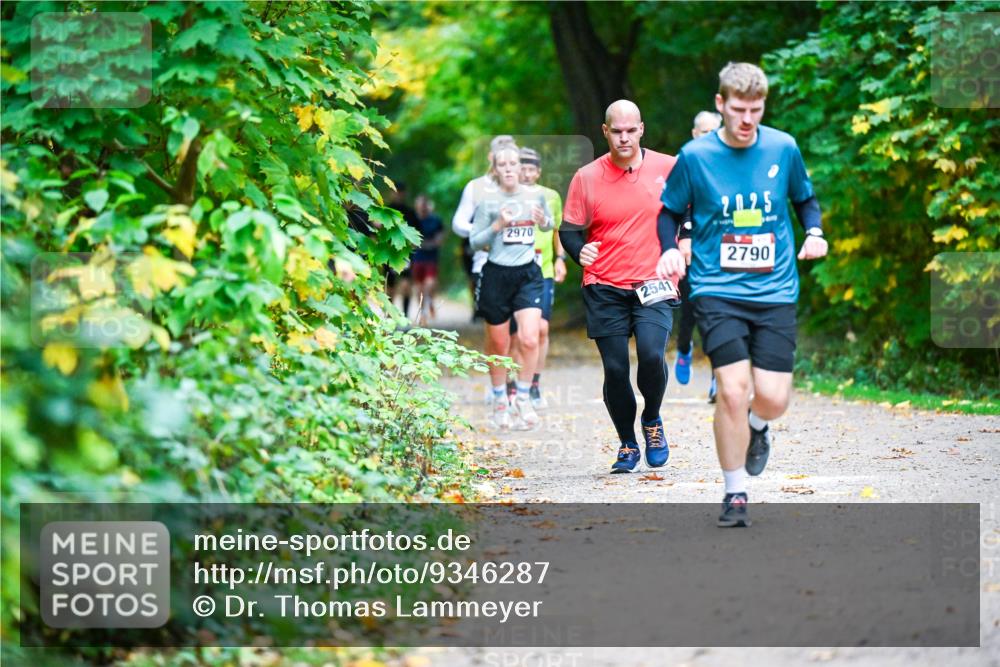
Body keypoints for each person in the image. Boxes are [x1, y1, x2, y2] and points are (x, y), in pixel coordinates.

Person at [657, 62, 828, 527]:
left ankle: (758, 426)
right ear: (721, 104)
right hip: (717, 289)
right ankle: (735, 494)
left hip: (775, 289)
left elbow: (804, 199)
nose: (747, 119)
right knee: (732, 391)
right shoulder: (696, 156)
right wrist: (669, 250)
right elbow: (668, 212)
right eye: (738, 109)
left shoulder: (782, 147)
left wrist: (814, 232)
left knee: (772, 398)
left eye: (756, 109)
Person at [559, 100, 679, 474]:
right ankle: (627, 443)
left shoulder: (669, 167)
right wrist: (579, 251)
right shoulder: (586, 177)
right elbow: (568, 230)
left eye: (630, 130)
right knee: (615, 368)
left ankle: (652, 419)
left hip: (654, 280)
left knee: (651, 354)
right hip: (604, 283)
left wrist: (685, 243)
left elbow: (690, 211)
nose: (624, 138)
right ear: (605, 132)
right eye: (617, 131)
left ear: (641, 129)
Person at [470, 145, 552, 430]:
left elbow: (549, 225)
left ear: (520, 167)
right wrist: (497, 226)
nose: (508, 168)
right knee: (499, 344)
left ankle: (524, 397)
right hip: (496, 274)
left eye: (513, 163)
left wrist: (543, 221)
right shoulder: (487, 202)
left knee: (530, 338)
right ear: (495, 169)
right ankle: (499, 399)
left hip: (528, 274)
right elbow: (474, 241)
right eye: (502, 164)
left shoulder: (535, 196)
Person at [506, 147, 567, 409]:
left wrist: (560, 259)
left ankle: (533, 384)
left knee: (541, 329)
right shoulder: (506, 196)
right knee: (515, 334)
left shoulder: (550, 196)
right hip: (513, 271)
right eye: (523, 169)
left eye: (532, 170)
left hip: (543, 271)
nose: (527, 174)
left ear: (539, 172)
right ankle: (510, 384)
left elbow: (557, 230)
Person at [674, 111, 723, 402]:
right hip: (690, 248)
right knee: (690, 310)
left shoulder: (729, 162)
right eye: (704, 131)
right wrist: (685, 236)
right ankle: (683, 348)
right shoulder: (684, 162)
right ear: (695, 134)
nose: (709, 137)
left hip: (721, 250)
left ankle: (719, 378)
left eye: (714, 131)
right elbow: (675, 205)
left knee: (717, 314)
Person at [452, 135, 518, 322]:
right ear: (491, 157)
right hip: (486, 264)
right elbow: (458, 223)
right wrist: (484, 232)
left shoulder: (526, 187)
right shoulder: (476, 187)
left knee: (522, 329)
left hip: (522, 266)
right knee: (497, 326)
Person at [386, 182, 420, 318]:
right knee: (390, 287)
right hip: (388, 252)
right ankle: (389, 317)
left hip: (405, 253)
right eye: (395, 192)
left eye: (400, 192)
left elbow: (418, 233)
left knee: (406, 285)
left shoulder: (410, 213)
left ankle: (405, 316)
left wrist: (413, 244)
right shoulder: (385, 211)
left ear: (404, 194)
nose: (398, 195)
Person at [411, 194, 444, 325]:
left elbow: (439, 239)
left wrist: (425, 244)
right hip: (417, 258)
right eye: (420, 205)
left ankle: (428, 303)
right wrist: (427, 244)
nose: (422, 207)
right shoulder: (412, 220)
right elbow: (410, 242)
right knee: (419, 287)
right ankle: (422, 312)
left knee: (429, 284)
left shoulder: (435, 220)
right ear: (416, 206)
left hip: (431, 259)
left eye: (424, 205)